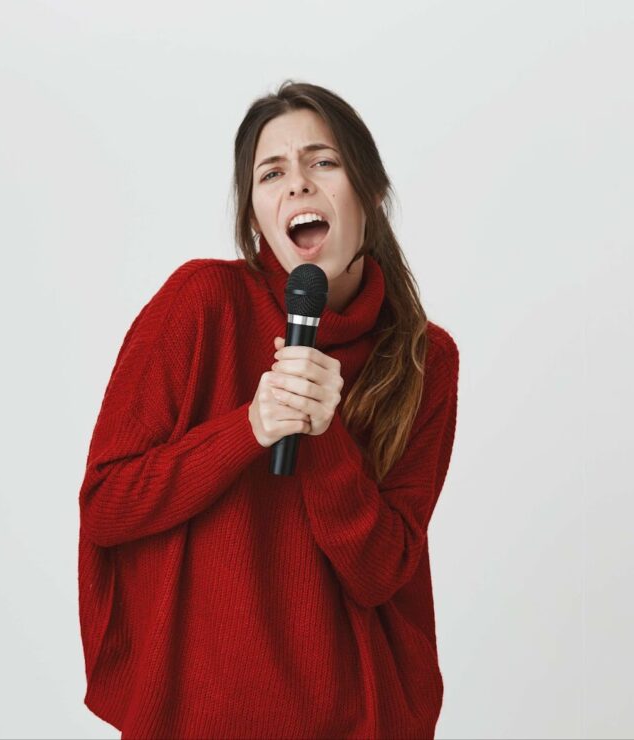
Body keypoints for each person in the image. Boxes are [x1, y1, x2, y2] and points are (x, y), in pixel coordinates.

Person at [77, 80, 459, 739]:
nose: (298, 186)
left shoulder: (426, 359)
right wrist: (249, 427)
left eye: (324, 162)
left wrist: (324, 431)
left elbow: (379, 573)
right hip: (200, 716)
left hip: (352, 719)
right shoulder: (202, 304)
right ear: (257, 216)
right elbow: (107, 506)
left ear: (369, 191)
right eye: (271, 172)